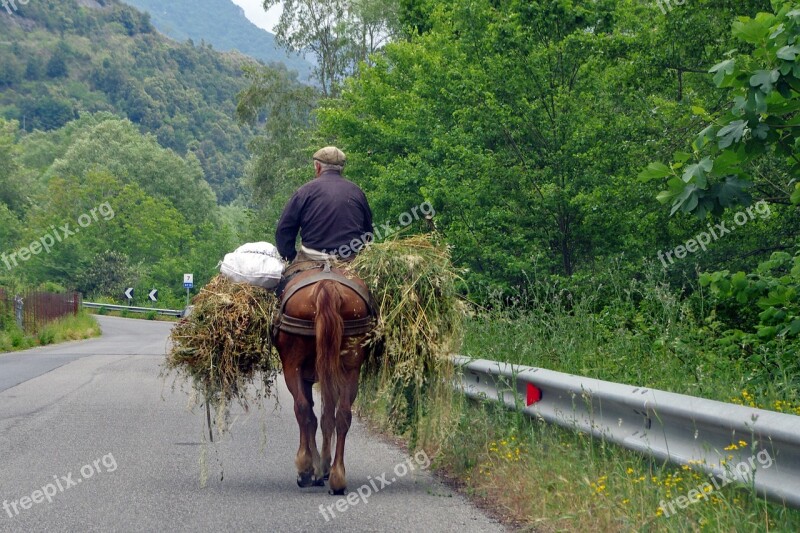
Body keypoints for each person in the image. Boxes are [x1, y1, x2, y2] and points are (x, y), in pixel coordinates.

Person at [276, 146, 373, 266]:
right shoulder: (357, 192)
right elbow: (368, 231)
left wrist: (290, 257)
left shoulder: (304, 191)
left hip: (311, 258)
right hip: (350, 260)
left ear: (318, 167)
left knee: (283, 282)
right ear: (342, 169)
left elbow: (284, 229)